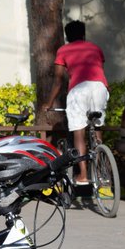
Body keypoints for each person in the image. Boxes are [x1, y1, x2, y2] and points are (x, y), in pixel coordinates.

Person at [45, 19, 109, 187]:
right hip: (100, 87)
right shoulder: (95, 48)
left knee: (79, 133)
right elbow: (98, 71)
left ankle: (83, 176)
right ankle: (102, 170)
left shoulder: (63, 50)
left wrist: (49, 103)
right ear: (83, 34)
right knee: (97, 128)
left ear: (67, 36)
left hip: (79, 90)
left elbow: (58, 81)